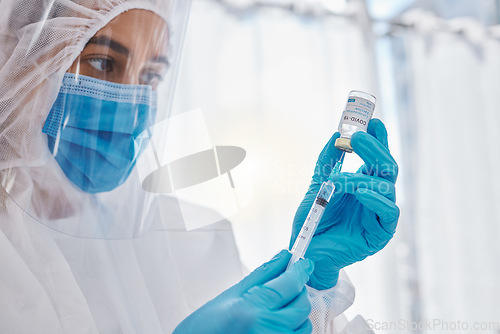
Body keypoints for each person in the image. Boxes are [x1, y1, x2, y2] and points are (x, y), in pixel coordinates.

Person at [0, 0, 399, 333]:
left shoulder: (192, 241)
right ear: (19, 61)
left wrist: (310, 278)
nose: (134, 101)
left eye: (151, 76)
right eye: (103, 63)